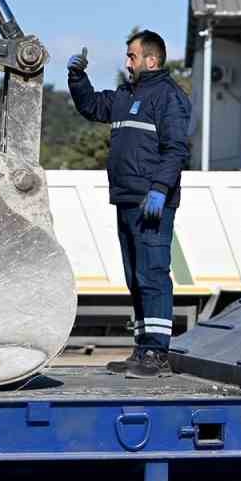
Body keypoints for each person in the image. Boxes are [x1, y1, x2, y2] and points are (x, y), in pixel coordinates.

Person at [67, 31, 191, 378]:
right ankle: (142, 349)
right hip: (126, 199)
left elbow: (176, 149)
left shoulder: (168, 98)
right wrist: (77, 78)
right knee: (136, 278)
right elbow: (91, 105)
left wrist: (160, 189)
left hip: (152, 202)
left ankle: (157, 353)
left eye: (132, 56)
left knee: (152, 275)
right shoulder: (125, 96)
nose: (127, 62)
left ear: (151, 60)